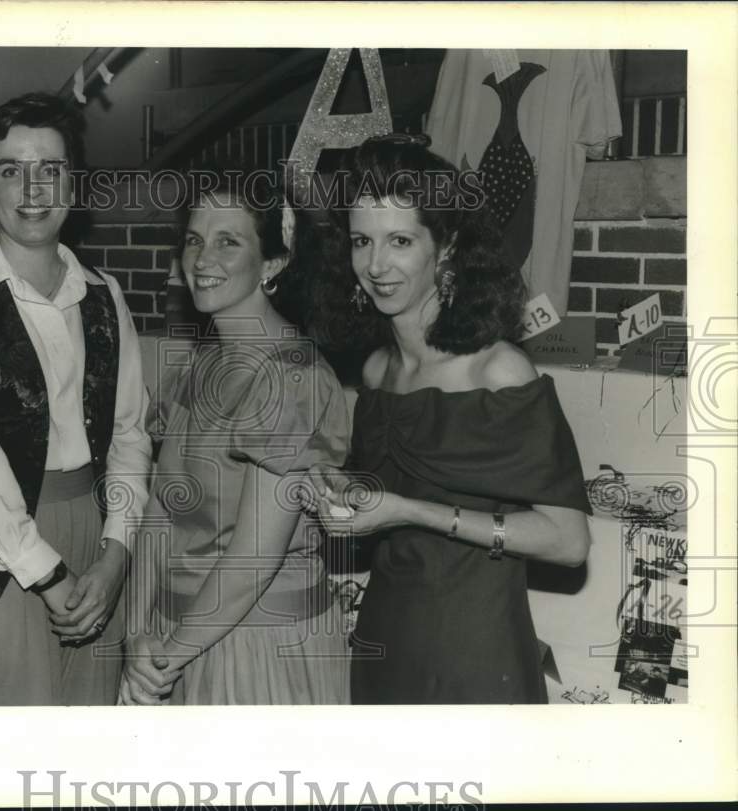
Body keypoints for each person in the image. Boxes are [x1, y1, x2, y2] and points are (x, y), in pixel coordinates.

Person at [301, 134, 593, 704]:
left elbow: (569, 541)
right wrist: (344, 491)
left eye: (400, 241)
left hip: (475, 652)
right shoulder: (378, 369)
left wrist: (410, 510)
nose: (376, 265)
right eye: (362, 241)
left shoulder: (499, 371)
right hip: (384, 637)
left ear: (448, 247)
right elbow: (384, 504)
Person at [0, 92, 151, 706]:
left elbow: (128, 435)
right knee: (1, 763)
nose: (33, 189)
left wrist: (116, 553)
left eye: (51, 169)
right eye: (11, 169)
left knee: (84, 762)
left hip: (93, 542)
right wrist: (47, 572)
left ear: (74, 183)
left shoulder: (103, 295)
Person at [120, 167, 351, 705]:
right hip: (174, 637)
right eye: (195, 241)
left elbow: (252, 563)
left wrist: (162, 662)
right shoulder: (198, 367)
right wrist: (135, 634)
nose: (202, 260)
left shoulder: (296, 379)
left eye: (228, 242)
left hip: (257, 645)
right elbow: (159, 509)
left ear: (273, 262)